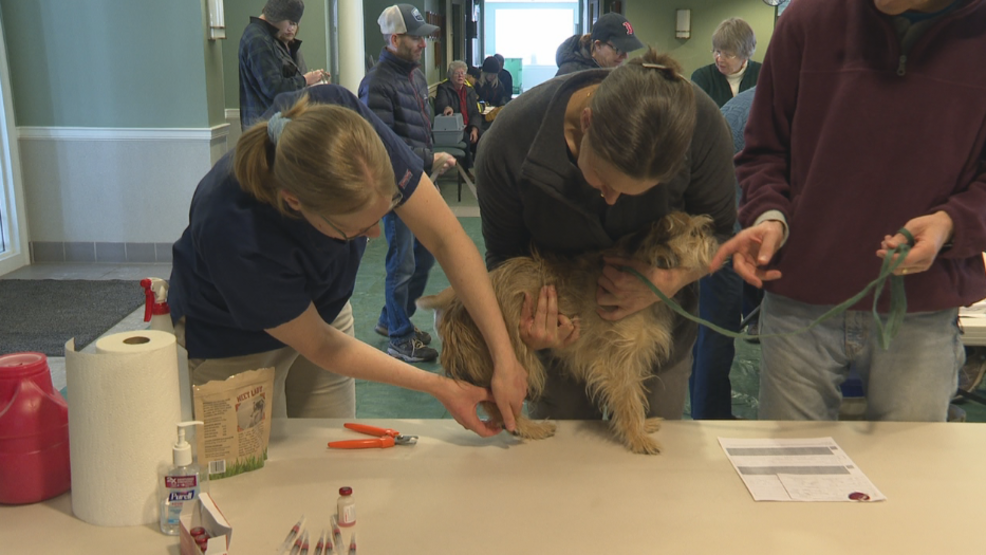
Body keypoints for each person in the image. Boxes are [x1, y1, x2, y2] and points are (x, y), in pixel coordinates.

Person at [168, 84, 529, 437]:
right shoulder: (233, 230)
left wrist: (505, 355)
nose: (374, 235)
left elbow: (446, 237)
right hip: (232, 339)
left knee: (328, 452)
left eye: (384, 212)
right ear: (295, 202)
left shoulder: (343, 125)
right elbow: (321, 345)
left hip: (324, 310)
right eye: (355, 230)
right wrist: (440, 387)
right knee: (254, 471)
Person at [710, 0, 986, 422]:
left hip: (920, 309)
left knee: (910, 477)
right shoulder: (806, 19)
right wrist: (770, 216)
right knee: (791, 474)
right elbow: (763, 150)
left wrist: (950, 223)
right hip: (799, 299)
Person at [475, 49, 737, 422]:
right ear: (585, 123)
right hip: (562, 344)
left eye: (636, 193)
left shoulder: (703, 125)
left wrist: (668, 280)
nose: (613, 200)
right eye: (602, 182)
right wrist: (531, 326)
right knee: (564, 451)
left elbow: (723, 232)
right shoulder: (509, 143)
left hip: (654, 338)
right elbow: (502, 261)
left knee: (649, 443)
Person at [359, 3, 457, 362]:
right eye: (417, 38)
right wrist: (428, 157)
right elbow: (381, 146)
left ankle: (391, 319)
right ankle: (399, 336)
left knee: (423, 256)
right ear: (395, 38)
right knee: (401, 263)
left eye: (424, 37)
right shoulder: (376, 83)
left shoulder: (414, 76)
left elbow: (417, 128)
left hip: (417, 182)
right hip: (394, 190)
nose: (423, 44)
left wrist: (428, 159)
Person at [688, 87, 759, 420]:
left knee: (714, 331)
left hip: (740, 224)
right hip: (721, 232)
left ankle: (710, 416)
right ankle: (711, 420)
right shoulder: (749, 113)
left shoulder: (756, 101)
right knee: (716, 330)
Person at [238, 0, 329, 129]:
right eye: (290, 22)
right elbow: (274, 88)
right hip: (264, 126)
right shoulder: (258, 39)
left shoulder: (266, 37)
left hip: (269, 123)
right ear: (278, 15)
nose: (291, 28)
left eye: (295, 24)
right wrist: (306, 80)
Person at [689, 18, 760, 108]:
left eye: (728, 54)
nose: (720, 59)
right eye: (717, 52)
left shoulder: (762, 75)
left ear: (745, 54)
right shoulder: (702, 77)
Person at [554, 12, 644, 76]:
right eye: (618, 49)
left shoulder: (610, 69)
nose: (625, 56)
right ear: (598, 45)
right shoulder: (570, 74)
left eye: (627, 50)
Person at [434, 60, 483, 163]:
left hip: (469, 126)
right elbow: (441, 105)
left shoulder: (470, 91)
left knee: (483, 137)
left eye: (463, 73)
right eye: (457, 73)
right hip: (454, 129)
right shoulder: (444, 88)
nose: (460, 76)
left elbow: (475, 112)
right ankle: (468, 170)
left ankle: (480, 166)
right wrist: (447, 108)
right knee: (465, 137)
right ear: (451, 76)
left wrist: (475, 129)